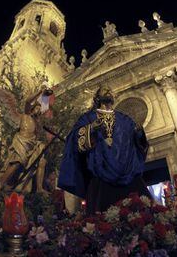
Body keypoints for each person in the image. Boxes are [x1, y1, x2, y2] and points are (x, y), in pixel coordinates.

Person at [58, 86, 151, 215]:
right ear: (97, 97)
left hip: (127, 176)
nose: (108, 91)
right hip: (100, 175)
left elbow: (137, 144)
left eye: (110, 90)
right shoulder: (88, 118)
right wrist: (91, 128)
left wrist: (140, 135)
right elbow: (75, 139)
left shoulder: (124, 119)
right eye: (104, 90)